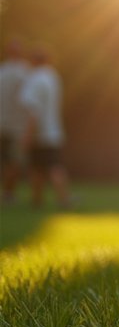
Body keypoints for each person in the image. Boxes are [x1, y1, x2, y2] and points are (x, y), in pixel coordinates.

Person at [19, 44, 72, 209]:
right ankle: (59, 199)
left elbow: (33, 110)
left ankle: (39, 200)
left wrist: (28, 134)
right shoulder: (52, 77)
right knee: (52, 166)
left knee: (37, 167)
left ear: (33, 61)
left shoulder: (34, 80)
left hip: (39, 133)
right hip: (53, 131)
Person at [0, 38, 31, 202]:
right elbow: (28, 100)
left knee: (4, 161)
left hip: (1, 123)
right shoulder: (24, 72)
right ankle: (8, 194)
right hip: (17, 126)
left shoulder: (1, 71)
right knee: (15, 161)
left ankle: (7, 193)